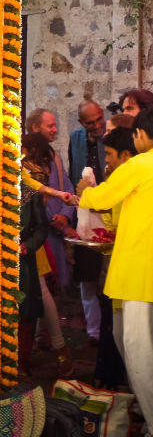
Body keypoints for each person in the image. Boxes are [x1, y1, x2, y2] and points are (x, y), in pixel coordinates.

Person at [76, 107, 153, 435]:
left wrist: (83, 189)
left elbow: (101, 196)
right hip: (139, 272)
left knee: (138, 351)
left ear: (142, 135)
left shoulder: (140, 164)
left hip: (138, 273)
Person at [19, 133, 72, 377]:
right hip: (25, 243)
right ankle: (51, 348)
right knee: (40, 293)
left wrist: (59, 195)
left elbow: (36, 188)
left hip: (30, 246)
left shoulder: (26, 183)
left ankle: (58, 350)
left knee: (40, 293)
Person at [91, 127, 136, 390]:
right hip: (119, 270)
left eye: (109, 154)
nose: (105, 160)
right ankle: (136, 398)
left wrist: (88, 191)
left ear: (126, 154)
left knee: (133, 340)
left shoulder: (136, 179)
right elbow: (112, 221)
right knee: (122, 338)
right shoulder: (118, 179)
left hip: (135, 274)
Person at [68, 101, 107, 344]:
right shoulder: (76, 138)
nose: (97, 125)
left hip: (109, 209)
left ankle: (108, 328)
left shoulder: (112, 134)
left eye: (99, 119)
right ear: (82, 124)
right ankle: (94, 331)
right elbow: (74, 171)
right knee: (86, 274)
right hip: (84, 211)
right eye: (90, 122)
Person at [26, 109, 76, 292]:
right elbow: (36, 197)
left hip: (57, 231)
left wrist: (66, 215)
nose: (55, 129)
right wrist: (60, 224)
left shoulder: (55, 157)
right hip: (41, 232)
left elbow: (67, 188)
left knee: (57, 286)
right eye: (50, 126)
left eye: (55, 125)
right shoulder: (27, 160)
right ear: (35, 128)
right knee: (42, 287)